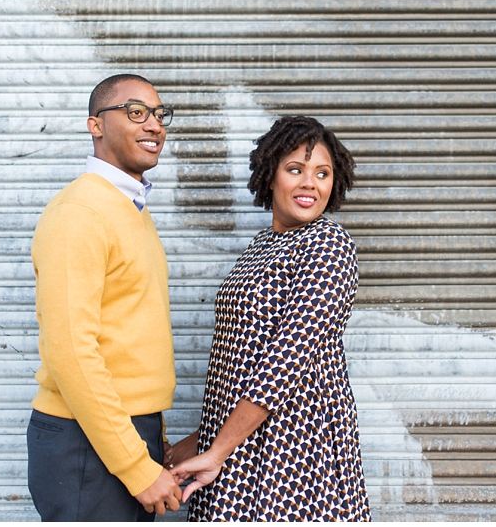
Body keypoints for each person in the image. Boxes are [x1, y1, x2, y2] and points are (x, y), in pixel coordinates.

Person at [167, 116, 371, 521]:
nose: (310, 184)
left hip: (294, 450)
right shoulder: (262, 245)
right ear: (270, 175)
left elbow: (284, 361)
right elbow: (241, 360)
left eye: (322, 174)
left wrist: (217, 450)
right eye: (295, 169)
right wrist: (205, 439)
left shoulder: (328, 244)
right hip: (240, 442)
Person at [27, 74, 182, 521]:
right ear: (95, 125)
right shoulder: (80, 213)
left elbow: (128, 337)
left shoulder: (129, 208)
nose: (153, 124)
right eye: (135, 112)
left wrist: (151, 439)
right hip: (85, 444)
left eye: (159, 114)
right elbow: (71, 352)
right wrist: (134, 465)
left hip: (118, 434)